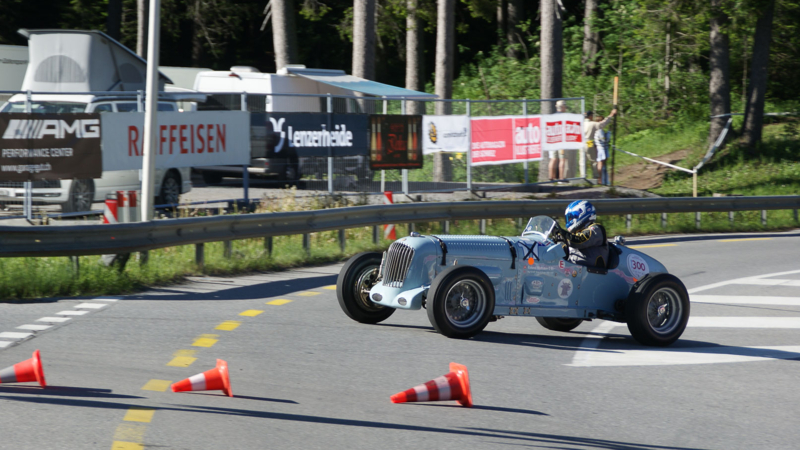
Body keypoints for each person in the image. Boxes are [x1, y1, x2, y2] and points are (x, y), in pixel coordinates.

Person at [553, 200, 609, 268]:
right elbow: (564, 252)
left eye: (571, 217)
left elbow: (579, 241)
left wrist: (563, 234)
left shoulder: (596, 229)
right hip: (574, 271)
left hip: (592, 273)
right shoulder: (575, 234)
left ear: (582, 214)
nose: (569, 220)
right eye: (568, 218)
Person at [594, 109, 617, 185]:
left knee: (603, 165)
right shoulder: (599, 131)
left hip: (603, 148)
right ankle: (601, 179)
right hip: (601, 149)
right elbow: (604, 140)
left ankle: (605, 179)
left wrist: (609, 132)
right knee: (601, 164)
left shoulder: (601, 131)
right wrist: (608, 135)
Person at [582, 111, 599, 180]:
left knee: (583, 160)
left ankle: (583, 175)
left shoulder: (581, 124)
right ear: (590, 116)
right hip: (589, 141)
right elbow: (602, 124)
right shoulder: (592, 123)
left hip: (582, 142)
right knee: (593, 159)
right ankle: (595, 175)